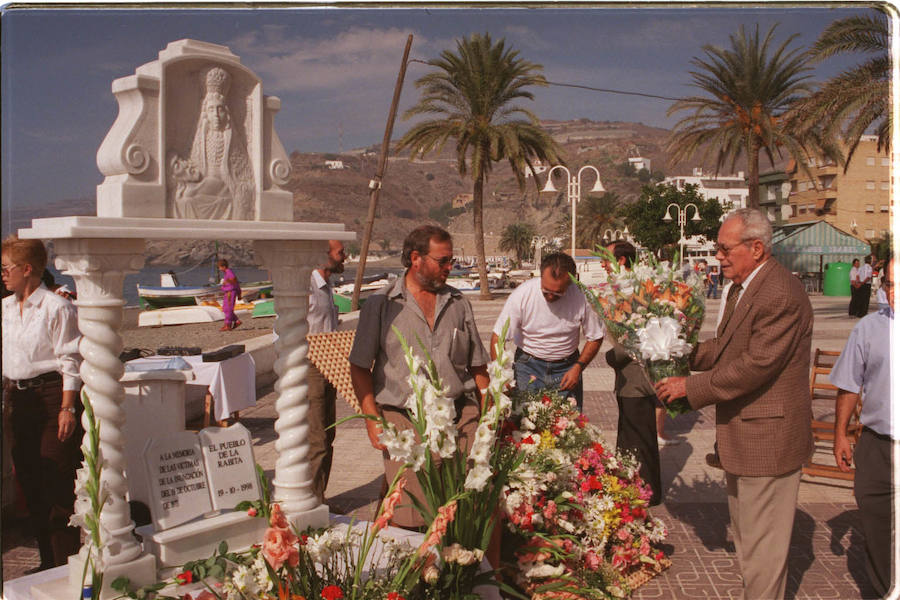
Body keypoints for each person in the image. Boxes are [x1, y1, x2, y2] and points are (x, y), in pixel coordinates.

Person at [655, 208, 813, 600]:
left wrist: (690, 388)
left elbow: (755, 365)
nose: (718, 256)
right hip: (744, 438)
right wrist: (681, 351)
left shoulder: (779, 292)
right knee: (750, 546)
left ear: (756, 248)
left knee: (763, 554)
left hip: (768, 441)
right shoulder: (744, 288)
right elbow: (727, 349)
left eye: (725, 249)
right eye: (717, 248)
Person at [348, 225, 489, 529]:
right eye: (444, 261)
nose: (450, 268)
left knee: (474, 499)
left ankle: (468, 569)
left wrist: (492, 415)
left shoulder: (459, 304)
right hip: (403, 416)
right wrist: (372, 419)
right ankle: (417, 568)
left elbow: (478, 367)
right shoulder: (380, 305)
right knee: (414, 510)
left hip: (459, 414)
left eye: (451, 261)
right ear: (416, 258)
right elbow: (359, 366)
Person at [1, 235, 83, 572]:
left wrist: (68, 408)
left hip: (52, 400)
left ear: (27, 269)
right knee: (31, 484)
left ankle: (65, 567)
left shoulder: (57, 307)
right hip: (19, 402)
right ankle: (48, 564)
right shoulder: (4, 309)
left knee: (56, 486)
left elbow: (70, 360)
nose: (2, 274)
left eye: (7, 268)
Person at [830, 258, 894, 597]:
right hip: (877, 445)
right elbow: (850, 384)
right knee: (877, 526)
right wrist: (840, 433)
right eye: (891, 285)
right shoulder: (869, 328)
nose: (895, 293)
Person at [490, 252, 604, 412]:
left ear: (571, 281)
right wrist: (501, 375)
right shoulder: (522, 294)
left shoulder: (582, 297)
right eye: (545, 291)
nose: (550, 296)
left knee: (569, 427)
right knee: (525, 426)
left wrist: (578, 367)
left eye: (558, 293)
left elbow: (596, 336)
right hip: (527, 366)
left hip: (567, 368)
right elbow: (498, 338)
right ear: (540, 276)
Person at [602, 241, 663, 505]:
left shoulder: (633, 290)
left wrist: (612, 356)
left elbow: (636, 334)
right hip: (630, 375)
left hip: (637, 375)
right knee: (631, 433)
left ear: (623, 261)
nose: (603, 263)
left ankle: (643, 493)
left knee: (637, 436)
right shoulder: (625, 288)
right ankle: (633, 489)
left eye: (607, 258)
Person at [172, 66, 254, 220]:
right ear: (205, 113)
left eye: (220, 109)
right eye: (211, 110)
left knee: (189, 196)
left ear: (226, 113)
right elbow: (194, 166)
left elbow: (241, 171)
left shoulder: (230, 137)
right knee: (184, 198)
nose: (216, 115)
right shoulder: (201, 135)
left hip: (224, 184)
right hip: (206, 183)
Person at [306, 239, 346, 505]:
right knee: (317, 437)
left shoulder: (327, 287)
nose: (345, 257)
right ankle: (311, 502)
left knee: (328, 434)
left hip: (329, 364)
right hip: (311, 367)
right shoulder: (307, 287)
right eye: (340, 253)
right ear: (325, 256)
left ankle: (321, 498)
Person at [218, 259, 241, 331]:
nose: (219, 269)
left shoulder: (229, 272)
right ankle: (237, 321)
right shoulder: (227, 273)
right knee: (225, 308)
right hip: (227, 292)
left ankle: (228, 324)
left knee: (228, 308)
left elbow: (234, 280)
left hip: (230, 292)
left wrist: (227, 281)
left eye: (219, 267)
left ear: (223, 266)